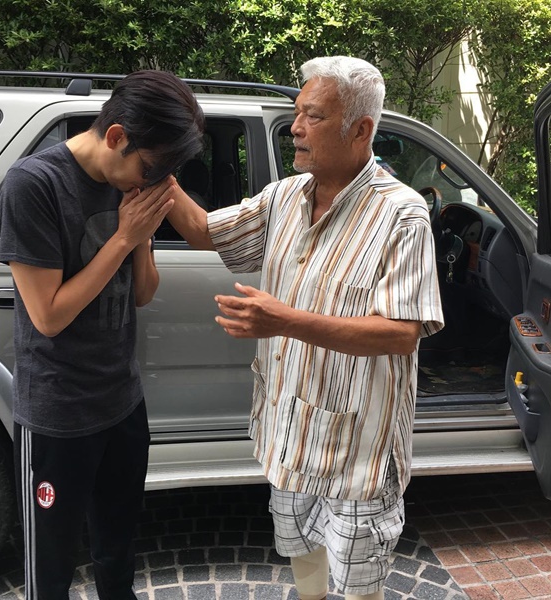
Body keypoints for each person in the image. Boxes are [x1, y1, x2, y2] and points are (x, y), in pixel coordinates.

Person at [165, 56, 444, 600]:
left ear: (360, 130)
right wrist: (155, 165)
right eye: (297, 113)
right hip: (289, 431)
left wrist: (283, 320)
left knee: (360, 578)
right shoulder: (284, 197)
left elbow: (400, 333)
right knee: (300, 551)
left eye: (312, 116)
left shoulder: (402, 215)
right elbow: (203, 230)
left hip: (358, 449)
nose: (295, 128)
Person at [0, 70, 204, 600]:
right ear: (115, 136)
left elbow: (143, 294)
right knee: (50, 570)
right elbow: (48, 316)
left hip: (122, 401)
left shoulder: (133, 183)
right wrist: (124, 237)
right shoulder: (34, 184)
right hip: (57, 413)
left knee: (118, 554)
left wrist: (142, 239)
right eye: (150, 168)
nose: (152, 181)